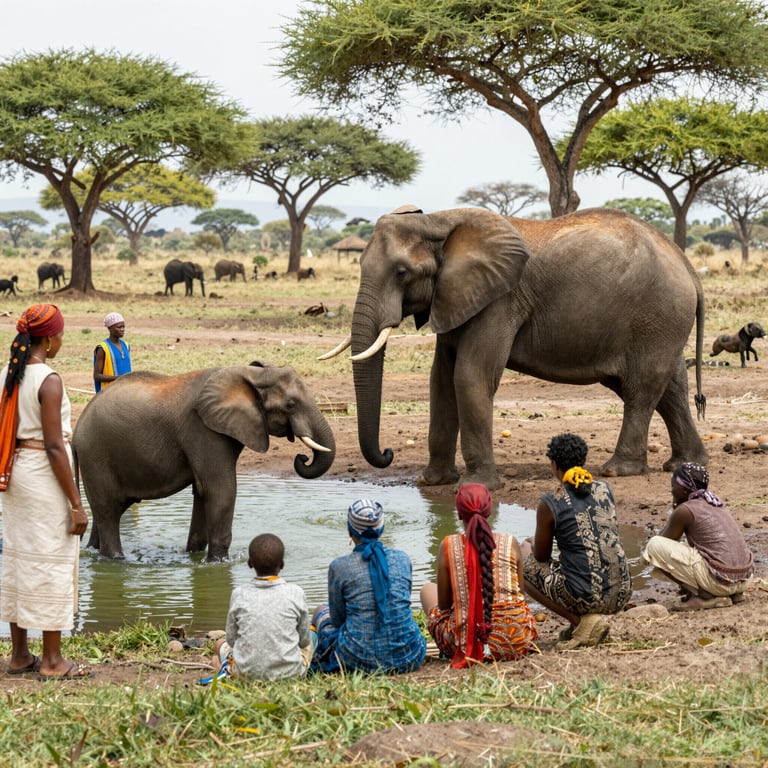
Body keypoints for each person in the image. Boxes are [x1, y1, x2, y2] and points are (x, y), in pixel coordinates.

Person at [0, 304, 91, 679]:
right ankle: (53, 661)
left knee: (20, 557)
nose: (61, 340)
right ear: (50, 339)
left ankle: (20, 654)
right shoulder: (49, 380)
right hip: (42, 477)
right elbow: (55, 446)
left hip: (15, 475)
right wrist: (76, 502)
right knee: (52, 559)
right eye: (60, 335)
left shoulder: (10, 373)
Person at [520, 433, 632, 651]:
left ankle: (582, 623)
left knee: (523, 561)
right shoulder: (604, 489)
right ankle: (586, 619)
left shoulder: (551, 501)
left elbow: (541, 557)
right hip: (620, 592)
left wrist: (532, 542)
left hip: (587, 595)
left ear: (554, 464)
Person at [420, 483, 539, 668]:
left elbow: (443, 606)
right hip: (516, 640)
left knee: (427, 589)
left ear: (459, 514)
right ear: (489, 512)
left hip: (465, 644)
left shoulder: (448, 545)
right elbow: (521, 596)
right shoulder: (510, 542)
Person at [311, 499, 426, 674]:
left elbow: (337, 620)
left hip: (356, 659)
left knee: (321, 611)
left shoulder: (339, 566)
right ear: (382, 528)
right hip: (408, 655)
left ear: (350, 531)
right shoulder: (403, 558)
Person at [199, 533, 313, 684]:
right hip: (290, 675)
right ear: (282, 564)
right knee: (313, 636)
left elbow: (232, 640)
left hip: (245, 675)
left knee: (220, 644)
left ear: (249, 564)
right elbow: (304, 641)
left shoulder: (239, 594)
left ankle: (223, 666)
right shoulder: (296, 593)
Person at [642, 463, 754, 611]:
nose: (671, 490)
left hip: (721, 582)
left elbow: (664, 541)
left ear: (683, 489)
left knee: (654, 545)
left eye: (673, 486)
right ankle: (734, 594)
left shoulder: (685, 510)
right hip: (745, 578)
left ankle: (704, 596)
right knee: (691, 546)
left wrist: (675, 509)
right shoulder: (713, 501)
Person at [93, 312, 132, 393]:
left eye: (123, 326)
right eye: (119, 327)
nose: (122, 329)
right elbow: (97, 376)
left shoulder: (126, 345)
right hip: (108, 394)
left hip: (125, 391)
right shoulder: (103, 348)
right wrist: (119, 378)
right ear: (110, 328)